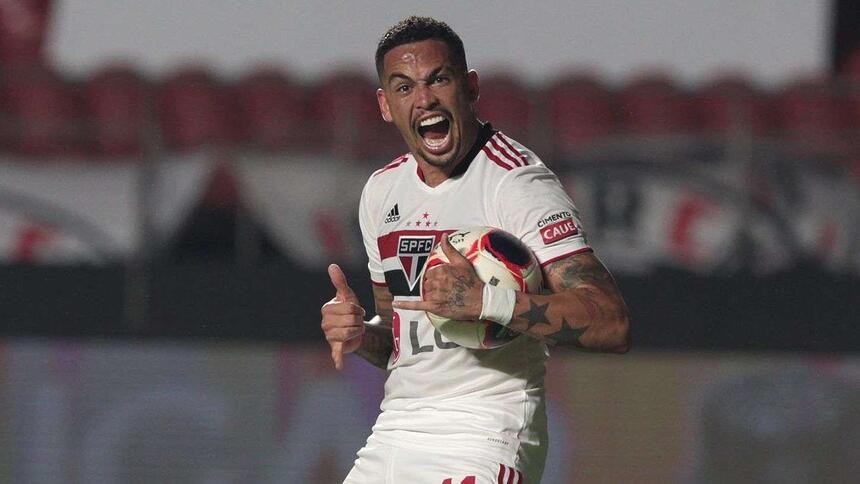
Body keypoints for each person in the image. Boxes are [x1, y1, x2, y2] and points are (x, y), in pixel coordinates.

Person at [320, 16, 630, 484]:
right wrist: (362, 334)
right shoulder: (382, 192)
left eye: (438, 80)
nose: (424, 99)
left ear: (470, 86)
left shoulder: (517, 184)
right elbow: (402, 345)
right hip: (397, 434)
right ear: (385, 105)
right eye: (404, 88)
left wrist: (490, 303)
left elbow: (611, 322)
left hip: (486, 435)